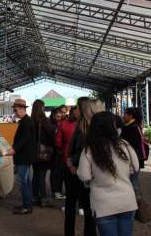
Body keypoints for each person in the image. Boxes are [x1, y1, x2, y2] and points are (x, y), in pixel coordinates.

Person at [78, 111, 139, 236]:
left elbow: (84, 176)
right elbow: (135, 168)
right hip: (127, 201)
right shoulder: (125, 145)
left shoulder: (89, 149)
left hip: (103, 205)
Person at [65, 98, 103, 236]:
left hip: (79, 172)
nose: (74, 110)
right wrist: (70, 161)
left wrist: (70, 162)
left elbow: (81, 151)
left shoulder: (85, 129)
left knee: (80, 206)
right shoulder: (85, 127)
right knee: (87, 207)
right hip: (80, 172)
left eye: (77, 108)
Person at [10, 99, 37, 215]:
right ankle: (28, 203)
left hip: (24, 157)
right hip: (25, 156)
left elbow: (24, 139)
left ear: (22, 109)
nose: (15, 112)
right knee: (26, 181)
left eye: (15, 110)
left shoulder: (27, 122)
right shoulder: (26, 121)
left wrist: (14, 149)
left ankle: (27, 206)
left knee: (22, 181)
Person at [31, 100, 56, 207]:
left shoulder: (31, 120)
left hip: (33, 152)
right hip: (43, 152)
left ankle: (35, 197)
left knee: (36, 175)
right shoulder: (44, 120)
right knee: (41, 175)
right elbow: (51, 134)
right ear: (42, 108)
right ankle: (44, 199)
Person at [121, 107, 147, 196]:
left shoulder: (131, 128)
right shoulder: (135, 126)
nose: (123, 116)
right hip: (136, 158)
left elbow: (129, 145)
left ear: (131, 116)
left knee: (133, 181)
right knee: (133, 180)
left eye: (125, 114)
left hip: (134, 159)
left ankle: (136, 203)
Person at [55, 106, 79, 200]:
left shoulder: (63, 124)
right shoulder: (82, 125)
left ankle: (71, 197)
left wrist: (61, 149)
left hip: (66, 155)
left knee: (68, 179)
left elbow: (58, 140)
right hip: (78, 157)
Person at [50, 107, 65, 199]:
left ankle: (57, 191)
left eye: (62, 114)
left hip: (61, 151)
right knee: (56, 172)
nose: (60, 116)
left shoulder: (63, 123)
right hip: (55, 152)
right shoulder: (52, 125)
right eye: (58, 115)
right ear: (54, 115)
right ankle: (56, 191)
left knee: (60, 172)